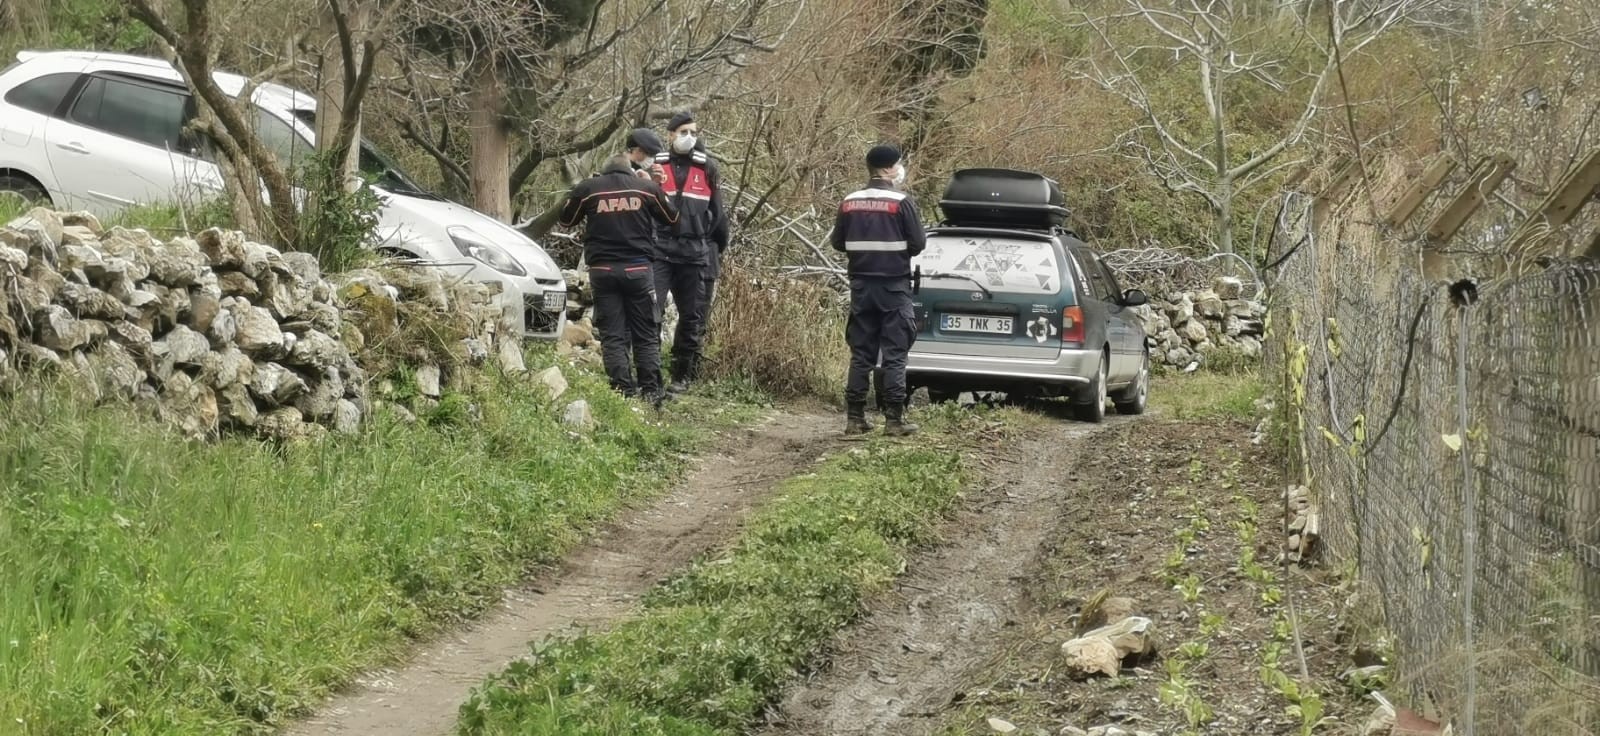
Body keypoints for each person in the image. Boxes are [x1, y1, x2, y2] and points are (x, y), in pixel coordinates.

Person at [558, 154, 680, 406]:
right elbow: (673, 219)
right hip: (639, 271)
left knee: (612, 334)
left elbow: (566, 219)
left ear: (604, 171)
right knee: (645, 332)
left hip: (602, 271)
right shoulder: (646, 189)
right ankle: (651, 391)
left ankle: (622, 390)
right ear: (630, 171)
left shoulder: (590, 189)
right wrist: (656, 186)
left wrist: (580, 192)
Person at [831, 143, 926, 436]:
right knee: (895, 354)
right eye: (899, 163)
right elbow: (918, 244)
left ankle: (855, 418)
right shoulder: (901, 202)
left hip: (861, 286)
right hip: (894, 287)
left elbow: (837, 242)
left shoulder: (849, 202)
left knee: (861, 353)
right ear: (887, 168)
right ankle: (894, 420)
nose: (901, 168)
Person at [652, 110, 730, 393]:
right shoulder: (657, 165)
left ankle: (681, 375)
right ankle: (650, 374)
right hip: (660, 249)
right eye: (684, 131)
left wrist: (704, 239)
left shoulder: (707, 167)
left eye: (694, 132)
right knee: (652, 310)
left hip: (694, 252)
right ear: (671, 134)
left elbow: (717, 213)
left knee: (691, 315)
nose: (689, 137)